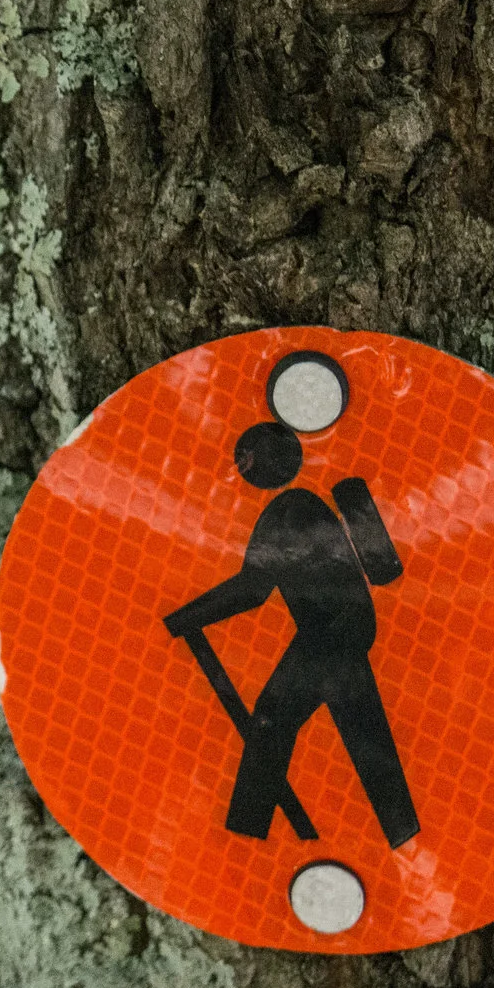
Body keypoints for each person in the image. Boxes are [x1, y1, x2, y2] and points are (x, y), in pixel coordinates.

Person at [162, 353, 420, 848]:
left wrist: (184, 619)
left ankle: (244, 839)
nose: (238, 470)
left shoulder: (282, 515)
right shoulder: (306, 502)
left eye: (246, 462)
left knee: (272, 719)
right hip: (347, 628)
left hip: (330, 633)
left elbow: (252, 590)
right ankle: (404, 836)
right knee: (363, 732)